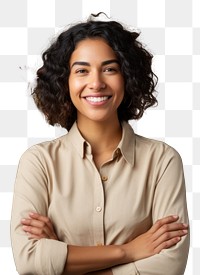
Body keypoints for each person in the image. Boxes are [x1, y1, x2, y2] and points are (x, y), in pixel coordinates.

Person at [11, 13, 189, 275]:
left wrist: (62, 256)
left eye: (110, 69)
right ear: (65, 81)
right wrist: (129, 251)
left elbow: (169, 265)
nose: (96, 83)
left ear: (127, 77)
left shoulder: (162, 161)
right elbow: (29, 261)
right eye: (81, 70)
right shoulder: (38, 162)